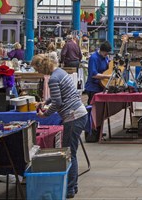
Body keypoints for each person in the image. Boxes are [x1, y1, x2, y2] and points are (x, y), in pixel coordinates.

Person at [33, 54, 87, 199]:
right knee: (71, 151)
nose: (37, 72)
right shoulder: (60, 72)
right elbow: (59, 96)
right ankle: (72, 186)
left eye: (36, 69)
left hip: (73, 116)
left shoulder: (53, 79)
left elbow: (57, 102)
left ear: (41, 67)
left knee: (69, 153)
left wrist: (45, 115)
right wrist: (45, 102)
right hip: (79, 113)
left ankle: (69, 189)